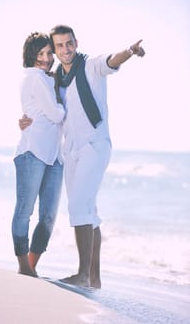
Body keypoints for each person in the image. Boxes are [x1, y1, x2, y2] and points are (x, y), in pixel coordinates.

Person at [19, 25, 145, 287]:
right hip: (71, 150)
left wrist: (130, 51)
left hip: (94, 145)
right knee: (88, 210)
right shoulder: (55, 79)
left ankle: (83, 274)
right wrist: (25, 121)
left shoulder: (90, 66)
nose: (65, 50)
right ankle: (95, 278)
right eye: (59, 46)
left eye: (69, 44)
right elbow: (44, 109)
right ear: (54, 50)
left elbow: (112, 60)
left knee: (77, 207)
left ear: (76, 43)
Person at [12, 32, 65, 277]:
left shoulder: (45, 78)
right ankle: (24, 265)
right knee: (25, 210)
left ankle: (31, 267)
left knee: (48, 217)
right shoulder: (36, 78)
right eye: (40, 53)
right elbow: (56, 115)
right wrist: (60, 103)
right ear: (31, 55)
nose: (45, 58)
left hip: (54, 156)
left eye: (48, 53)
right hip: (32, 152)